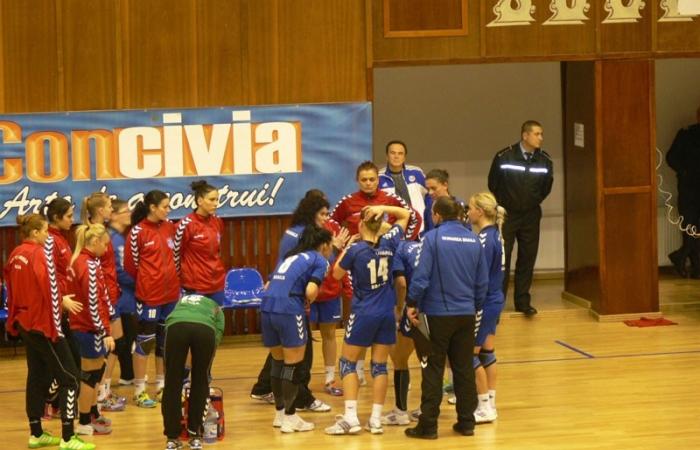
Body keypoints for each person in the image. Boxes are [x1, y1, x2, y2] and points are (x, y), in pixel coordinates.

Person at [4, 214, 94, 450]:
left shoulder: (15, 254)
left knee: (36, 376)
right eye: (45, 231)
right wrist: (56, 329)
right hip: (43, 325)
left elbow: (10, 290)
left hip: (24, 323)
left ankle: (36, 433)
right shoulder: (40, 255)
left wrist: (12, 321)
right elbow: (52, 292)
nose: (47, 235)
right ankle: (68, 437)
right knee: (70, 378)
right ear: (35, 233)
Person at [404, 196, 487, 439]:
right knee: (464, 368)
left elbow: (421, 277)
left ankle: (428, 426)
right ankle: (467, 422)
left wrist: (412, 303)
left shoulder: (432, 238)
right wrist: (474, 306)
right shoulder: (473, 239)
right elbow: (482, 282)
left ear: (437, 215)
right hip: (467, 313)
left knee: (432, 369)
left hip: (436, 314)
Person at [330, 161, 421, 382]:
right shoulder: (348, 202)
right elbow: (331, 222)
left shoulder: (389, 199)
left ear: (378, 180)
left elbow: (413, 217)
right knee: (356, 314)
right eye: (364, 180)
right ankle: (359, 368)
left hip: (385, 259)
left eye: (372, 179)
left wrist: (399, 243)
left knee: (380, 313)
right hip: (357, 262)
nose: (369, 183)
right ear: (357, 181)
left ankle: (376, 366)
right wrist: (343, 244)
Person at [325, 204, 410, 435]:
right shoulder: (390, 242)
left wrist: (346, 247)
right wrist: (382, 206)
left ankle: (351, 418)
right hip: (386, 313)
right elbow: (405, 214)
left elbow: (336, 273)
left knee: (347, 363)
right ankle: (375, 420)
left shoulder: (356, 250)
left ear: (361, 224)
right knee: (380, 366)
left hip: (363, 313)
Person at [261, 226, 334, 433]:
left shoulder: (290, 257)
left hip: (267, 306)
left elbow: (268, 285)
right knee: (293, 365)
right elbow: (310, 290)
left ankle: (280, 414)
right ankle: (290, 417)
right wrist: (310, 299)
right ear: (324, 245)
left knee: (277, 363)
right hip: (289, 309)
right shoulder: (320, 260)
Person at [448, 192, 506, 423]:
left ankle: (483, 406)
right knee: (487, 352)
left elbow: (477, 275)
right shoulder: (495, 234)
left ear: (480, 212)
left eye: (470, 208)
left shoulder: (484, 239)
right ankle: (490, 402)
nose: (468, 212)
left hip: (484, 301)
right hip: (495, 298)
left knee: (468, 355)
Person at [487, 120, 553, 316]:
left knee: (527, 258)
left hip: (531, 215)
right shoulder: (504, 156)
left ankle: (523, 302)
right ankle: (498, 302)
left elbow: (546, 188)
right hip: (507, 215)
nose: (541, 138)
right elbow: (493, 183)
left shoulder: (544, 160)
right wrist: (506, 203)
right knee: (503, 258)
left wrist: (531, 202)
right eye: (537, 134)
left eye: (541, 134)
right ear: (525, 135)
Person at [124, 190, 181, 408]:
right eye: (165, 206)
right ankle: (139, 391)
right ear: (152, 207)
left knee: (165, 342)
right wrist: (149, 280)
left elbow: (176, 257)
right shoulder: (137, 232)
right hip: (149, 296)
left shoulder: (169, 227)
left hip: (171, 295)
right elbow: (131, 266)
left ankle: (161, 386)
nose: (168, 210)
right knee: (145, 342)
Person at [67, 224, 116, 436]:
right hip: (88, 328)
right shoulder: (88, 265)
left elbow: (101, 296)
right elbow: (93, 302)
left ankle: (93, 412)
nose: (106, 249)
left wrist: (110, 314)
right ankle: (84, 422)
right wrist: (104, 331)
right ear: (94, 242)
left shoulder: (81, 260)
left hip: (85, 325)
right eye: (104, 244)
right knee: (90, 375)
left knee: (97, 371)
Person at [81, 192, 127, 412]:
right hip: (103, 295)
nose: (111, 209)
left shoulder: (102, 231)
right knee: (106, 347)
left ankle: (103, 391)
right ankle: (99, 395)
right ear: (100, 210)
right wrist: (105, 297)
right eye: (109, 206)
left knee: (116, 343)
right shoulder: (94, 235)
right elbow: (95, 268)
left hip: (110, 293)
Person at [162, 293, 225, 450]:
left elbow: (170, 321)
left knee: (172, 382)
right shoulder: (216, 307)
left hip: (176, 327)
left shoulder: (181, 302)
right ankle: (195, 435)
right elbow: (217, 335)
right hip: (204, 330)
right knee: (200, 381)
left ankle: (172, 438)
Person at [44, 198, 82, 417]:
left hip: (64, 309)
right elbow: (47, 275)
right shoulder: (50, 240)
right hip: (55, 310)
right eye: (68, 216)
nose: (72, 220)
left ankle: (56, 403)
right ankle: (49, 401)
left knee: (72, 362)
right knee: (68, 364)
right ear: (56, 217)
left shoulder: (61, 238)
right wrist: (60, 299)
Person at [381, 239, 421, 426]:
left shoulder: (399, 250)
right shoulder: (424, 245)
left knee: (399, 359)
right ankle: (428, 408)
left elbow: (402, 284)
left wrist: (399, 307)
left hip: (413, 307)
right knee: (430, 360)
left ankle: (400, 412)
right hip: (437, 306)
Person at [173, 181, 226, 305]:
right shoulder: (185, 225)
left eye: (217, 199)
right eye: (211, 199)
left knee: (216, 317)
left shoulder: (217, 221)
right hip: (195, 286)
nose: (216, 203)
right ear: (200, 201)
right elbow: (175, 255)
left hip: (217, 284)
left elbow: (217, 251)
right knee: (197, 318)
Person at [666, 106, 700, 278]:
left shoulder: (685, 134)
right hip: (689, 189)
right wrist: (684, 172)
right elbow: (671, 157)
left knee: (694, 228)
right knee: (690, 227)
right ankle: (692, 263)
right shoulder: (686, 134)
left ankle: (683, 258)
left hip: (689, 188)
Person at [108, 199, 137, 386]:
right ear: (113, 215)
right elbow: (119, 271)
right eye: (125, 211)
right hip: (122, 297)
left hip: (126, 296)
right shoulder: (113, 239)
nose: (129, 214)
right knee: (122, 339)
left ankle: (128, 374)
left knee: (127, 337)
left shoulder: (120, 237)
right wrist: (141, 283)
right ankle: (117, 379)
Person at [378, 140, 429, 232]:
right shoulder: (379, 177)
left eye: (400, 153)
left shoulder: (417, 173)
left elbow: (429, 197)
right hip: (391, 230)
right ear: (387, 156)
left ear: (404, 157)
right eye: (393, 153)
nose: (396, 156)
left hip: (419, 228)